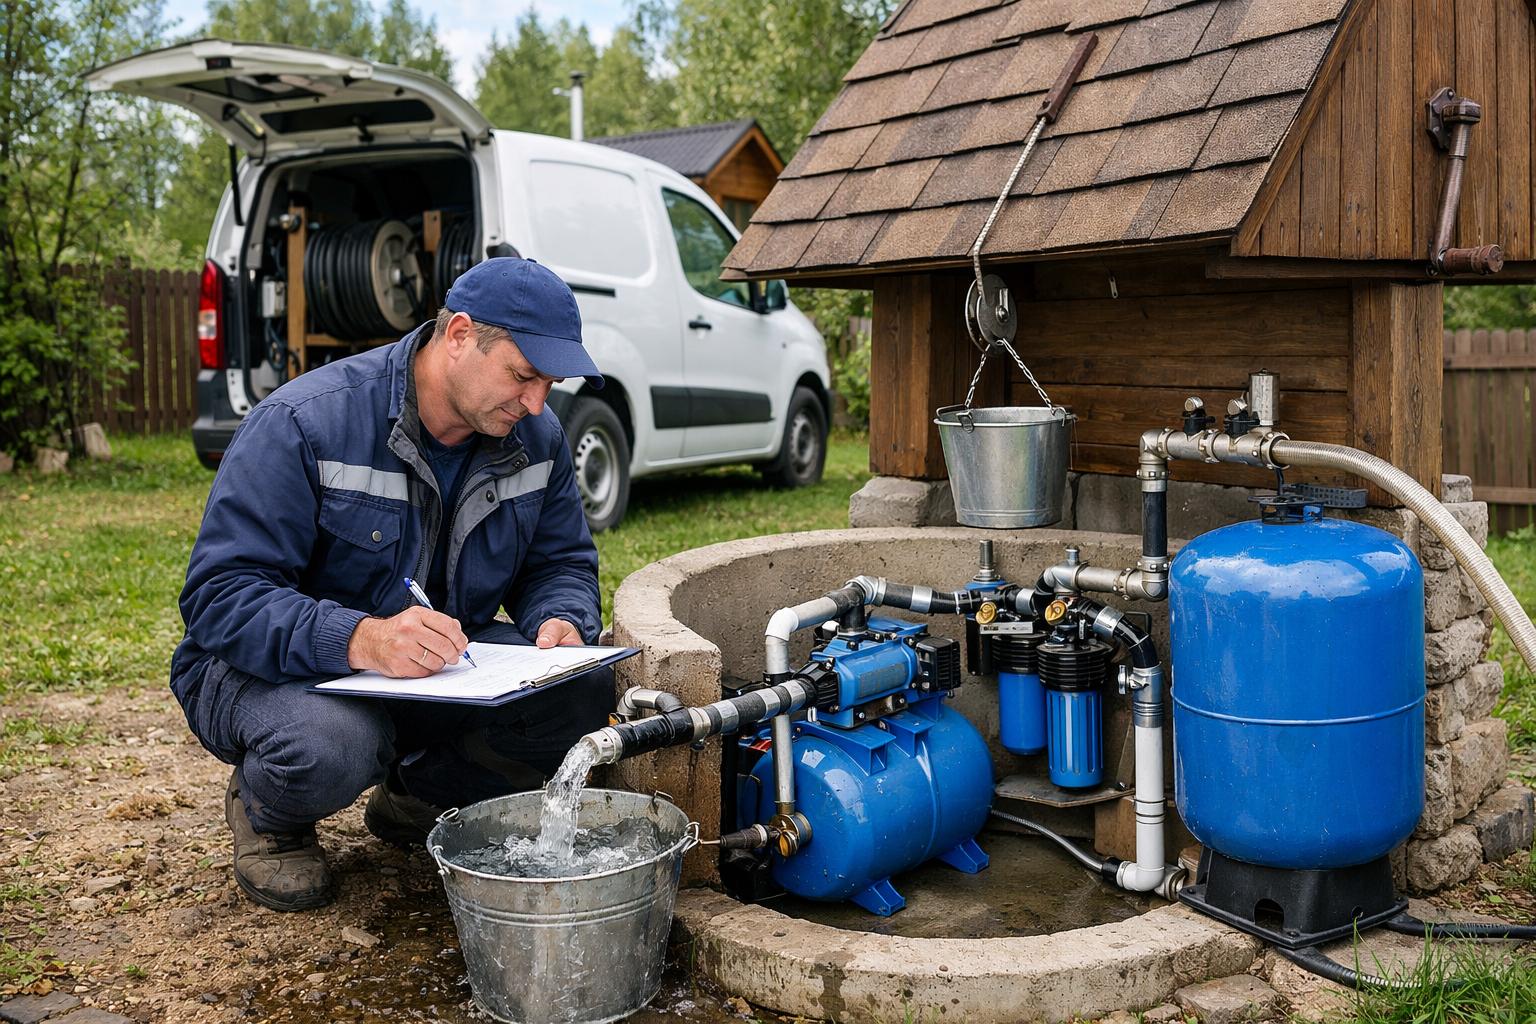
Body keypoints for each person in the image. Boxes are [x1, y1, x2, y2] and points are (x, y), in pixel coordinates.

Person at [170, 257, 613, 911]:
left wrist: (562, 617)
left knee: (581, 689)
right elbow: (220, 595)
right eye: (523, 376)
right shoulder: (304, 423)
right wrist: (361, 638)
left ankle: (417, 797)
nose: (537, 403)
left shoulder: (538, 439)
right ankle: (270, 815)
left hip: (436, 671)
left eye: (550, 382)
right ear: (459, 335)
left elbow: (562, 564)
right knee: (333, 744)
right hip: (274, 672)